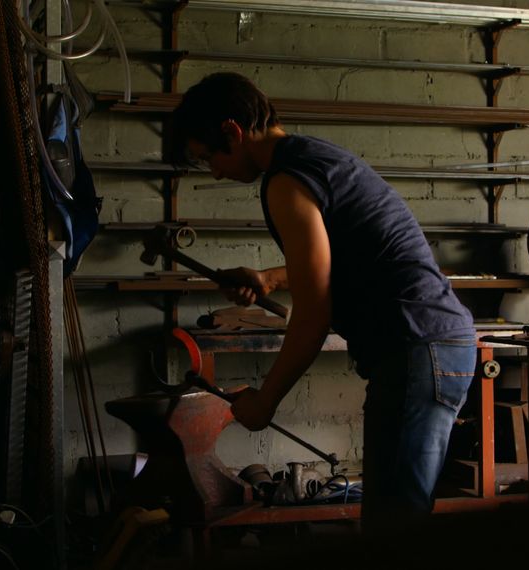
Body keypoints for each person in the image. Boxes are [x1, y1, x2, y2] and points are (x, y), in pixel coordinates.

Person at [169, 72, 476, 531]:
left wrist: (265, 401)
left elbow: (313, 318)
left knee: (395, 530)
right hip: (432, 344)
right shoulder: (312, 158)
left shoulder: (284, 182)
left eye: (208, 155)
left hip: (415, 348)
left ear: (232, 132)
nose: (214, 170)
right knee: (398, 519)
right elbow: (338, 261)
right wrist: (267, 280)